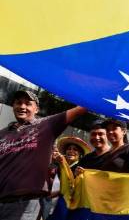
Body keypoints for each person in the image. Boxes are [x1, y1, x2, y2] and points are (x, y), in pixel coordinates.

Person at [0, 90, 86, 220]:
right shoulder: (2, 134)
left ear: (36, 109)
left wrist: (104, 87)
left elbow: (81, 109)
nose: (22, 106)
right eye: (18, 103)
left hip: (25, 204)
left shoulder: (46, 125)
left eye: (28, 103)